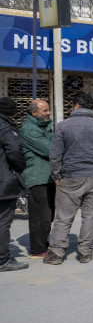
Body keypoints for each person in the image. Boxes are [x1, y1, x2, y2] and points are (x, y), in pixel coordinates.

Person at [45, 92, 93, 265]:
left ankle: (57, 254)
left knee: (64, 217)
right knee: (90, 216)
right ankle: (85, 252)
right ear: (91, 108)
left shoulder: (63, 126)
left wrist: (57, 174)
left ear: (75, 106)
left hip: (71, 176)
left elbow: (55, 155)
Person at [20, 99, 55, 259]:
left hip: (48, 176)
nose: (48, 113)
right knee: (40, 215)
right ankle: (37, 248)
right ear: (34, 113)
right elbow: (50, 149)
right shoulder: (29, 130)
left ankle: (42, 242)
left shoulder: (44, 126)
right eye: (45, 111)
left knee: (48, 214)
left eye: (48, 110)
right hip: (37, 177)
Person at [0, 97, 29, 271]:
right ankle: (3, 259)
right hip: (3, 180)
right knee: (3, 221)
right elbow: (15, 150)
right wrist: (19, 167)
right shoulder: (5, 127)